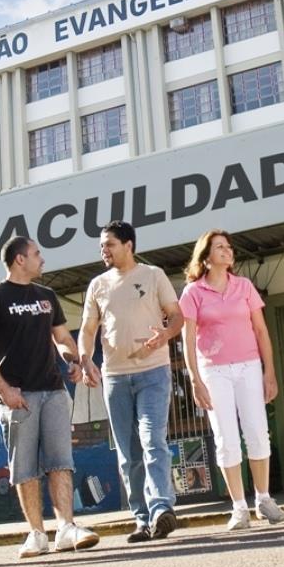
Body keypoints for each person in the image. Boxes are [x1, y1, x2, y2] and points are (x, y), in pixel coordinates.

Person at [0, 236, 100, 559]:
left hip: (54, 390)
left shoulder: (47, 296)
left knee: (61, 462)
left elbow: (61, 338)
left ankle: (66, 528)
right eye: (36, 254)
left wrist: (72, 360)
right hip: (19, 397)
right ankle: (37, 534)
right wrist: (5, 390)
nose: (42, 259)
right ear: (19, 260)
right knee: (25, 468)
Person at [79, 221, 184, 543]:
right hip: (115, 377)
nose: (104, 250)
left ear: (129, 245)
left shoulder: (153, 275)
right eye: (101, 246)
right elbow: (87, 329)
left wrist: (166, 333)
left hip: (154, 371)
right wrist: (85, 358)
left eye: (109, 244)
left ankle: (161, 508)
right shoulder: (97, 284)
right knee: (128, 453)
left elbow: (177, 315)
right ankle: (141, 519)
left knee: (153, 439)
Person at [179, 229, 284, 530]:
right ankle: (239, 508)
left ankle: (264, 499)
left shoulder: (244, 286)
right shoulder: (193, 292)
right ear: (206, 256)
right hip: (213, 371)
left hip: (249, 366)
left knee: (257, 431)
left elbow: (262, 331)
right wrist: (195, 380)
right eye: (220, 247)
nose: (228, 251)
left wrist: (270, 372)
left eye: (229, 247)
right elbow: (187, 341)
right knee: (226, 438)